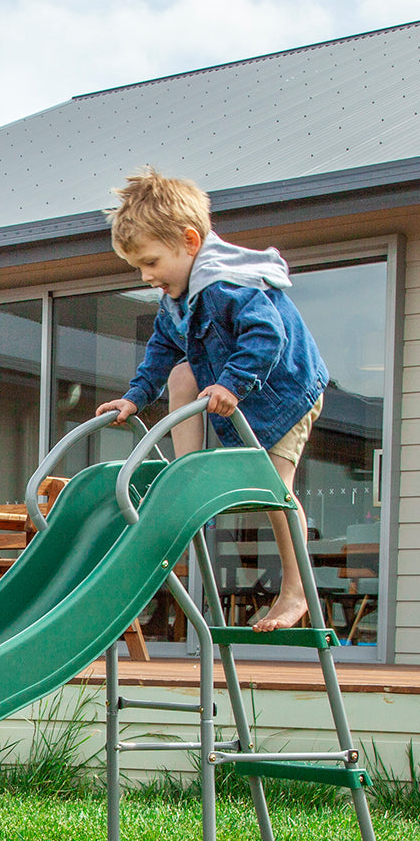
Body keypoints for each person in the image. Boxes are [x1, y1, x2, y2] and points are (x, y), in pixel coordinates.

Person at [96, 168, 327, 631]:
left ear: (189, 241)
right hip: (237, 392)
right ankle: (190, 470)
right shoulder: (177, 297)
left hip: (283, 394)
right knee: (182, 368)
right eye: (138, 267)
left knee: (273, 489)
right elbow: (162, 350)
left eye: (152, 262)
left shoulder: (228, 284)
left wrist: (232, 384)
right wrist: (134, 398)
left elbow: (268, 335)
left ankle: (297, 593)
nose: (146, 276)